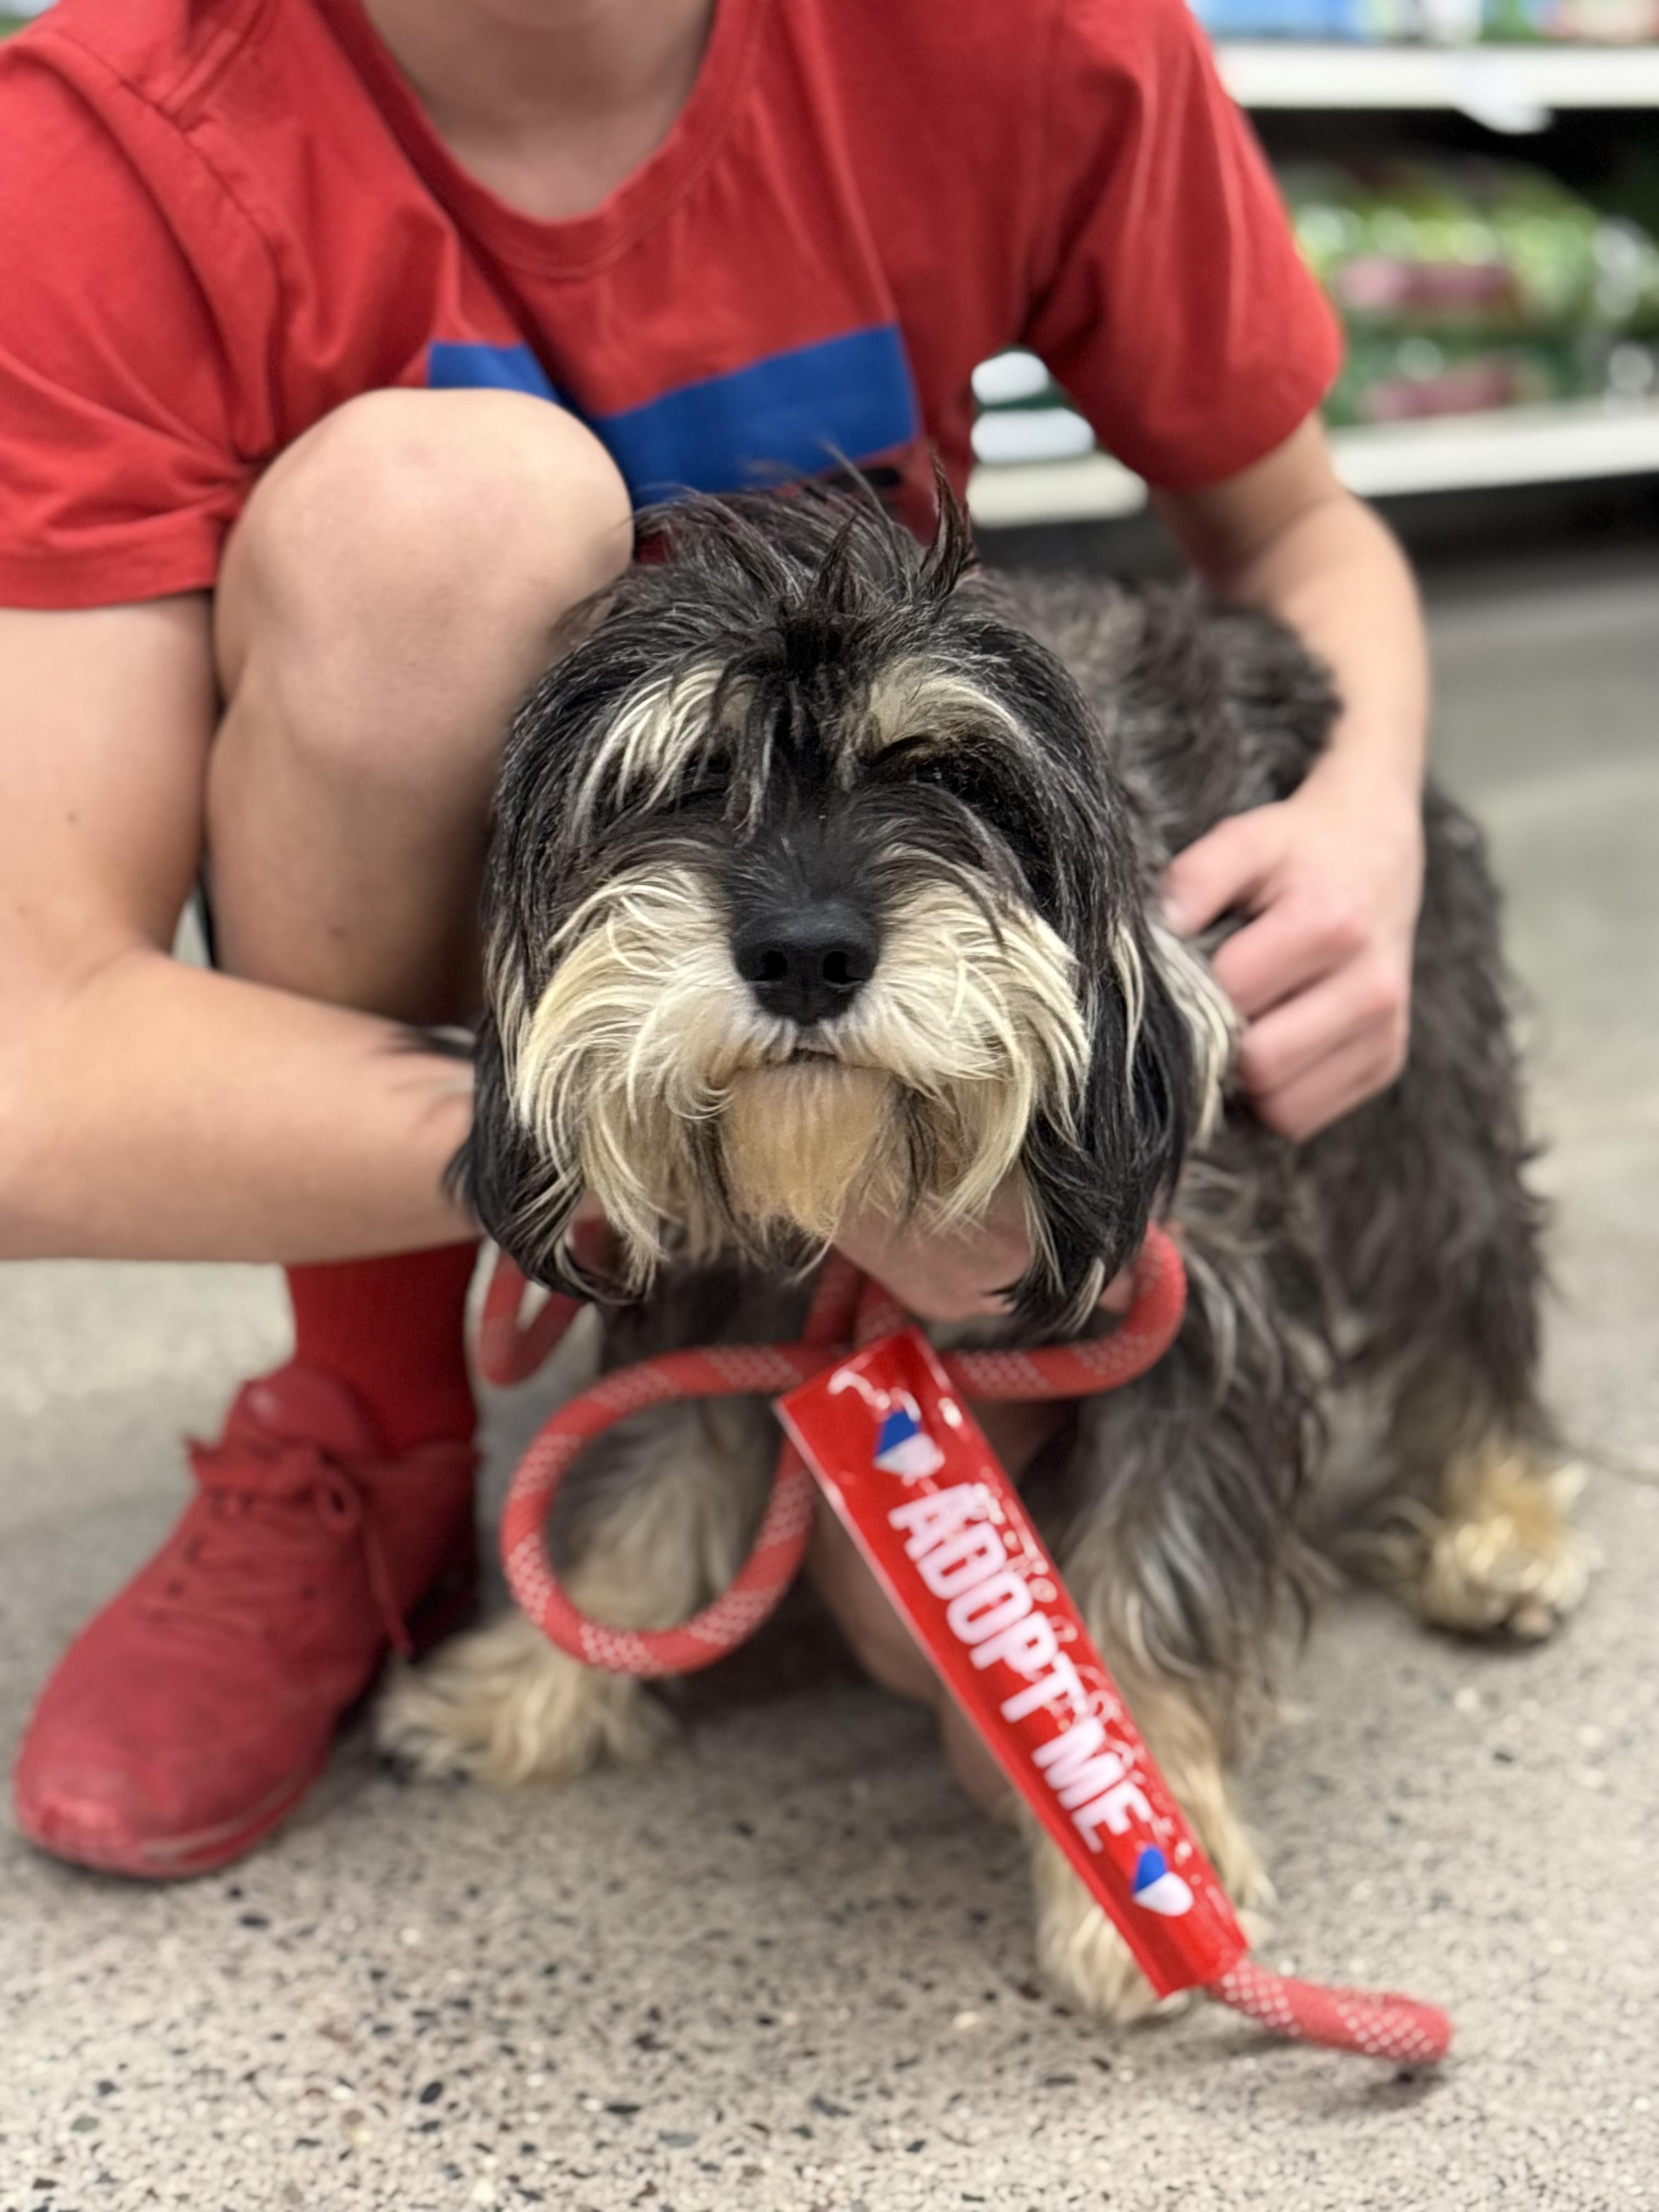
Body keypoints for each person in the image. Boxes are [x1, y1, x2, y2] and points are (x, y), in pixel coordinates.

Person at [0, 0, 1427, 1875]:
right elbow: (30, 1065)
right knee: (437, 515)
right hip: (545, 1018)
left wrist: (1371, 814)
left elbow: (1298, 528)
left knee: (930, 1660)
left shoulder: (1031, 37)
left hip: (879, 903)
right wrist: (612, 1128)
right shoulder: (113, 143)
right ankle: (374, 1415)